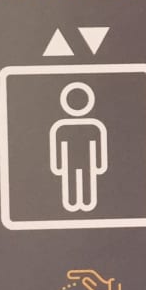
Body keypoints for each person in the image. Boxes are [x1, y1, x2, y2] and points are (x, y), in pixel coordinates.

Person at [49, 82, 108, 214]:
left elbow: (97, 147)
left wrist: (99, 165)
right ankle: (74, 203)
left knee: (86, 183)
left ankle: (85, 202)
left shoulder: (92, 127)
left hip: (84, 163)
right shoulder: (62, 127)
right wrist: (58, 166)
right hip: (72, 163)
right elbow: (58, 149)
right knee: (72, 184)